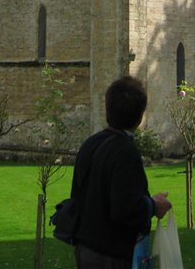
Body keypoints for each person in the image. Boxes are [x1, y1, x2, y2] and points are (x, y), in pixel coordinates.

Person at [71, 76, 172, 269]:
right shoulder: (125, 152)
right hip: (110, 254)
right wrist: (153, 205)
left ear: (108, 110)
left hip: (85, 248)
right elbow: (124, 209)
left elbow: (79, 197)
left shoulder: (90, 144)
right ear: (140, 116)